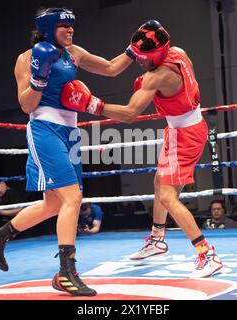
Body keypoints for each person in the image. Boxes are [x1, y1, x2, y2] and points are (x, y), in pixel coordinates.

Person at [0, 7, 132, 297]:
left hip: (70, 132)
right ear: (49, 28)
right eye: (64, 26)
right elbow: (26, 104)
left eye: (72, 26)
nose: (70, 30)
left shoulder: (74, 52)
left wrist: (134, 50)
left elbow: (111, 68)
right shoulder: (26, 59)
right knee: (73, 198)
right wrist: (39, 77)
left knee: (53, 204)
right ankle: (66, 273)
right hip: (44, 129)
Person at [61, 20, 223, 277]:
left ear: (156, 55)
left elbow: (129, 114)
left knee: (169, 196)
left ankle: (207, 254)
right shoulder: (178, 52)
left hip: (185, 134)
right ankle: (157, 240)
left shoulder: (156, 76)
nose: (138, 61)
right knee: (160, 182)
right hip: (181, 127)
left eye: (142, 58)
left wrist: (92, 105)